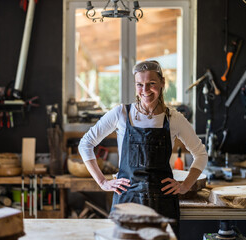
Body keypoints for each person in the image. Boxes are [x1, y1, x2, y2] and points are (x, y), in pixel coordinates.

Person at [78, 60, 208, 238]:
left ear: (162, 83)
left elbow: (200, 154)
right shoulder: (121, 114)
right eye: (140, 85)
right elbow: (85, 144)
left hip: (162, 203)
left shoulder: (174, 118)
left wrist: (185, 185)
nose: (145, 90)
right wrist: (102, 182)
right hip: (127, 201)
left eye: (151, 84)